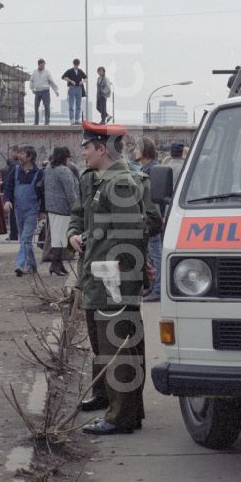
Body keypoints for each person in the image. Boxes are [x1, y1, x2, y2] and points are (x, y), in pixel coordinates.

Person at [68, 122, 162, 435]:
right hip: (102, 272)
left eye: (87, 147)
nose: (82, 152)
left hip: (113, 277)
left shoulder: (120, 181)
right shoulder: (104, 178)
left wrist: (132, 271)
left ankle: (120, 417)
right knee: (112, 343)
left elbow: (133, 232)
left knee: (119, 345)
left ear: (102, 149)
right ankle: (121, 408)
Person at [3, 145, 44, 276]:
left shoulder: (39, 173)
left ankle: (20, 265)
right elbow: (8, 188)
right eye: (19, 153)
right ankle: (32, 265)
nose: (19, 156)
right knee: (24, 240)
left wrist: (42, 211)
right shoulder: (15, 170)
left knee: (26, 239)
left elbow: (43, 194)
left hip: (32, 210)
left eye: (23, 154)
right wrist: (7, 201)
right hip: (18, 209)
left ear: (30, 157)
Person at [134, 137, 164, 301]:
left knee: (155, 254)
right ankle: (153, 287)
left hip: (152, 218)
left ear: (145, 149)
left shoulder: (152, 170)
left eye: (137, 148)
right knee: (151, 255)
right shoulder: (146, 169)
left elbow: (157, 198)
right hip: (149, 218)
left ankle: (157, 290)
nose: (134, 151)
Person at [43, 146, 78, 276]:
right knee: (61, 238)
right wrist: (76, 208)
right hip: (63, 208)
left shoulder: (49, 169)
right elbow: (71, 193)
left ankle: (58, 264)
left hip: (52, 207)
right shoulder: (64, 171)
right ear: (65, 157)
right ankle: (55, 264)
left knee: (58, 237)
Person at [0, 146, 21, 241]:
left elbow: (9, 180)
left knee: (13, 216)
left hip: (13, 193)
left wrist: (3, 186)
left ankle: (14, 235)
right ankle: (16, 234)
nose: (11, 154)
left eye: (12, 152)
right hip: (18, 193)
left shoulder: (13, 165)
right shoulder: (19, 164)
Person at [29, 58, 59, 125]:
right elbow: (31, 80)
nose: (43, 66)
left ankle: (47, 122)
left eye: (44, 65)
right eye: (42, 65)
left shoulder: (47, 72)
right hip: (37, 91)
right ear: (39, 65)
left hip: (45, 91)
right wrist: (32, 88)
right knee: (36, 107)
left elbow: (51, 82)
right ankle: (36, 122)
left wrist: (56, 90)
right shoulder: (34, 72)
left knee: (47, 107)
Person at [61, 58, 88, 123]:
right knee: (71, 105)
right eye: (75, 64)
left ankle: (77, 119)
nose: (76, 65)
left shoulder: (80, 71)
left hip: (79, 88)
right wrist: (70, 81)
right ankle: (72, 119)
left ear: (79, 64)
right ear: (74, 64)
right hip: (72, 88)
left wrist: (83, 81)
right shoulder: (69, 71)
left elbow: (86, 78)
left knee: (78, 105)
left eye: (77, 64)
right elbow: (63, 77)